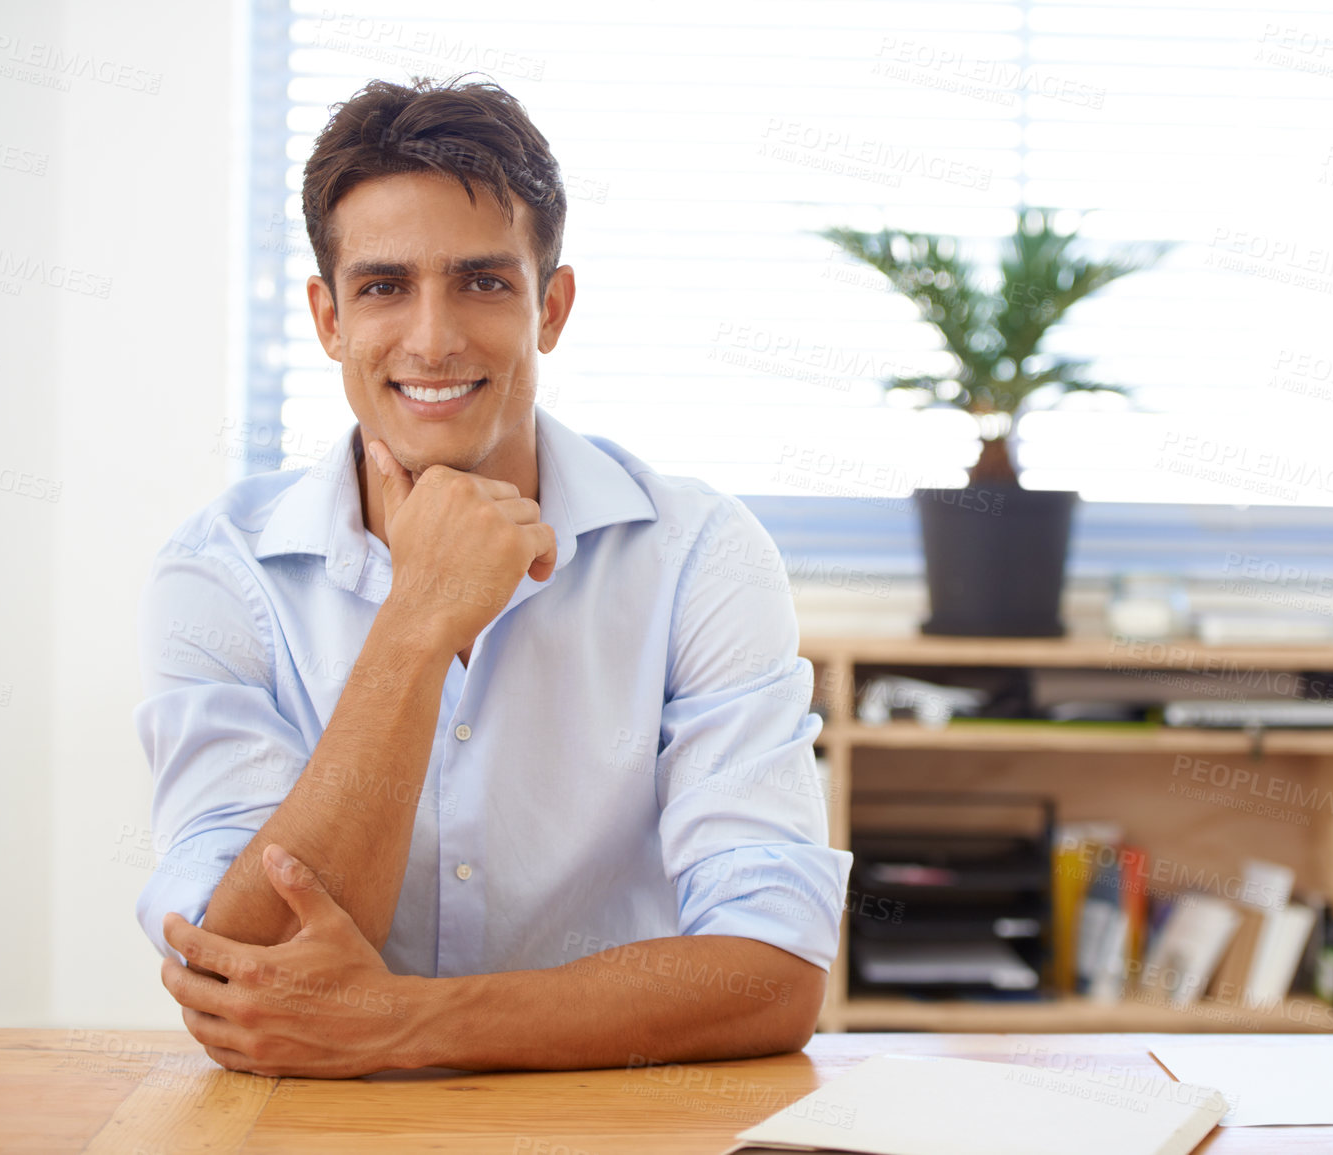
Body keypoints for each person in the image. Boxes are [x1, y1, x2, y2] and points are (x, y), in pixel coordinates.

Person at [134, 75, 850, 1078]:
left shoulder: (702, 555)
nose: (433, 338)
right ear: (329, 318)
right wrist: (417, 620)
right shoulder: (218, 574)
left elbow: (771, 974)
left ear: (550, 307)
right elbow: (241, 969)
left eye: (484, 282)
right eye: (384, 286)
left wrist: (406, 1022)